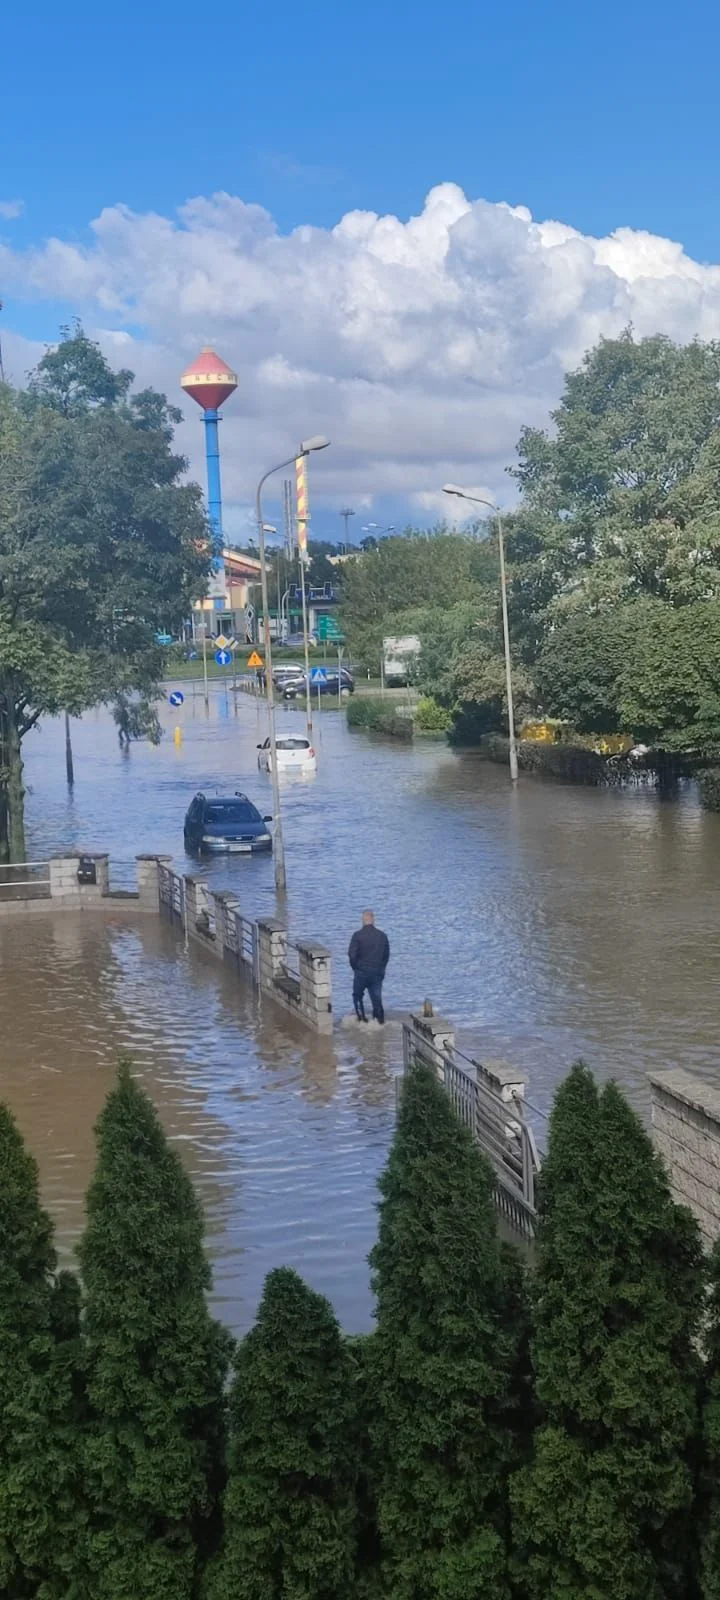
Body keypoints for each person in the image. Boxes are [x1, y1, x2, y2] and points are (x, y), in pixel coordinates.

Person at [348, 909, 390, 1024]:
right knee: (377, 998)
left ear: (363, 921)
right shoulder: (382, 936)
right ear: (373, 920)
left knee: (357, 995)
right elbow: (386, 956)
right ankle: (380, 1021)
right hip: (377, 973)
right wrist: (381, 969)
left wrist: (355, 968)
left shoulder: (357, 936)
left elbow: (352, 955)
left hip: (361, 972)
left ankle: (361, 1019)